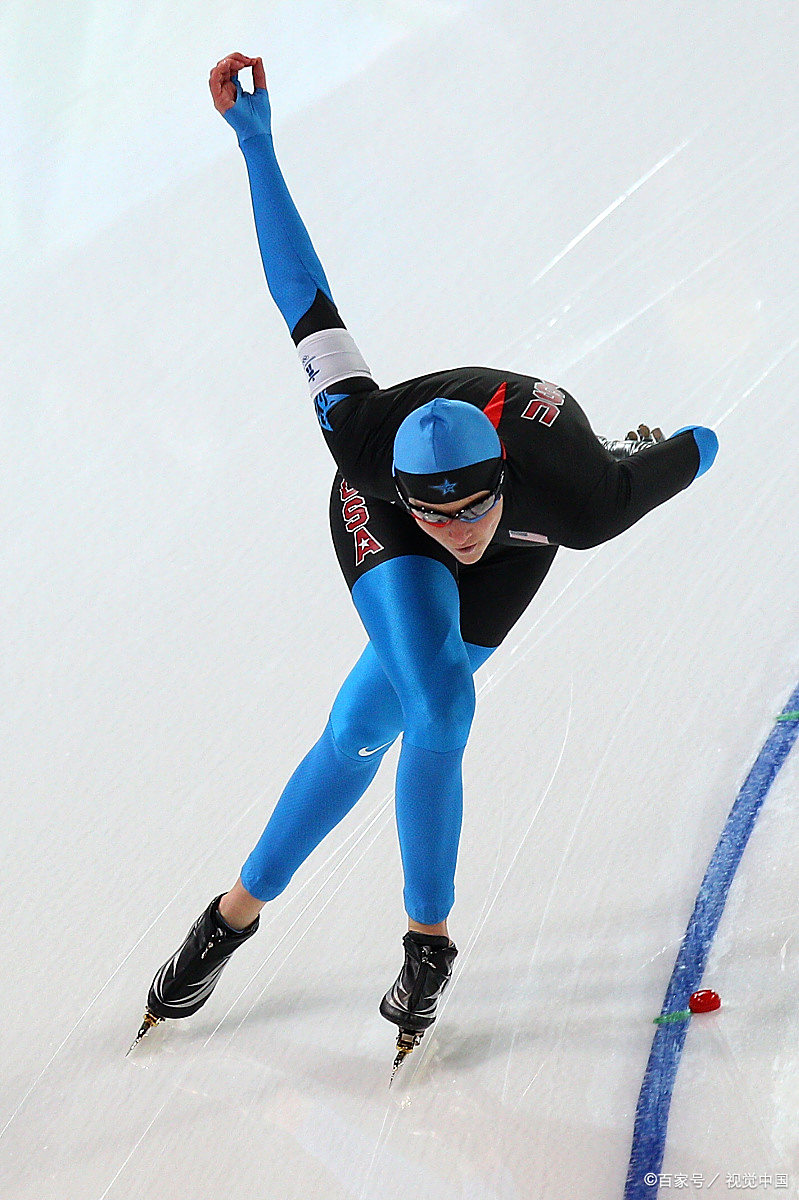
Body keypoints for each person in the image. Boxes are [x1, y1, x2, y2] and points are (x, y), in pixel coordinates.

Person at [135, 53, 718, 1063]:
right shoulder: (362, 441)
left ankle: (227, 915)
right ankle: (428, 942)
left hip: (536, 514)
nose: (458, 533)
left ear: (503, 484)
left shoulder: (581, 499)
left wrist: (686, 444)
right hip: (375, 518)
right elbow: (303, 292)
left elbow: (696, 446)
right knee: (439, 704)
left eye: (471, 512)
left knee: (368, 724)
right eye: (439, 517)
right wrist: (255, 142)